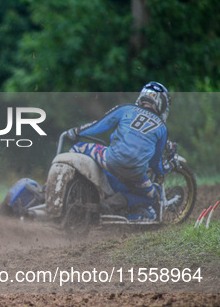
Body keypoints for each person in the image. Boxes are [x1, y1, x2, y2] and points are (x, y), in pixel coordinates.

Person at [65, 81, 171, 221]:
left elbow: (99, 125)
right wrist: (165, 169)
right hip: (136, 173)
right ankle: (113, 204)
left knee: (78, 148)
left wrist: (77, 131)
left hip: (111, 160)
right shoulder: (162, 128)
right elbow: (154, 162)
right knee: (151, 196)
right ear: (160, 104)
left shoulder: (126, 109)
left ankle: (67, 185)